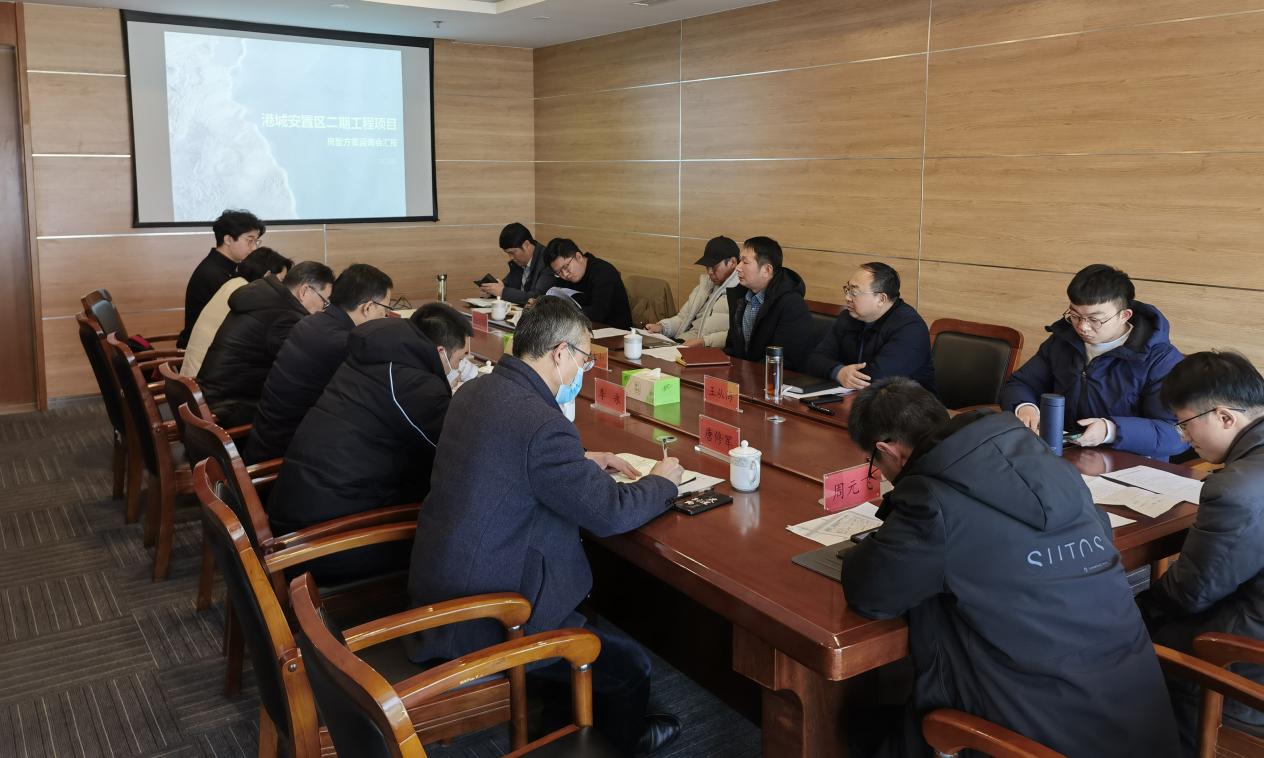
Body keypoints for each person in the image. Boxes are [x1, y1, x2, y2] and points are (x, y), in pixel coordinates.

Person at [841, 377, 1180, 758]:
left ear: (888, 450)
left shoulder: (932, 502)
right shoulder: (1051, 464)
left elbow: (871, 593)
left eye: (874, 463)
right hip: (1139, 724)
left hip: (1036, 737)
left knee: (857, 726)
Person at [406, 296, 684, 755]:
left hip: (444, 586)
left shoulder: (476, 391)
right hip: (489, 615)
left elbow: (507, 459)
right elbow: (610, 513)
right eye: (584, 359)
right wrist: (662, 483)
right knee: (632, 666)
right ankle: (619, 742)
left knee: (588, 615)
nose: (583, 370)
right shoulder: (540, 423)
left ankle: (562, 721)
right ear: (560, 353)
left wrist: (579, 460)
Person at [266, 303, 472, 584]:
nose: (460, 368)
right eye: (460, 359)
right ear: (439, 352)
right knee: (454, 537)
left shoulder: (376, 359)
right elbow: (456, 454)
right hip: (321, 545)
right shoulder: (414, 385)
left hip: (299, 517)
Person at [1136, 351, 1264, 752]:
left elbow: (1192, 593)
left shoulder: (1238, 489)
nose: (1183, 438)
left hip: (1246, 654)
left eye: (1185, 424)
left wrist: (1133, 610)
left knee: (1128, 633)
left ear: (1225, 417)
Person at [999, 263, 1186, 459]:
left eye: (1095, 319)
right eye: (1075, 316)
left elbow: (1177, 433)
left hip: (1129, 463)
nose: (1083, 327)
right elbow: (1020, 383)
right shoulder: (1063, 341)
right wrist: (1024, 406)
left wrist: (1111, 430)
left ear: (1124, 315)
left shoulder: (1161, 359)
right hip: (1064, 455)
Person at [243, 264, 395, 464]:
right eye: (385, 309)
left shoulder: (311, 323)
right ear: (367, 307)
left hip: (265, 439)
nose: (385, 317)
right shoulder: (343, 344)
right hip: (285, 457)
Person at [197, 261, 334, 427]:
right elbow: (301, 368)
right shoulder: (285, 316)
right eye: (324, 301)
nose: (323, 309)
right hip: (228, 408)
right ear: (305, 291)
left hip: (210, 395)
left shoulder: (265, 297)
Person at [803, 262, 935, 393]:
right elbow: (814, 360)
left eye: (854, 292)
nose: (847, 297)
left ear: (881, 299)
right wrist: (838, 372)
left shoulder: (911, 328)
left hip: (909, 403)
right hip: (856, 399)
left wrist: (841, 373)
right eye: (848, 289)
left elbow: (877, 378)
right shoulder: (847, 318)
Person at [180, 247, 292, 379]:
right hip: (205, 378)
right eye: (281, 281)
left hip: (193, 375)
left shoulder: (234, 283)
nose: (284, 288)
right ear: (267, 276)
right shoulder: (247, 294)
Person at [723, 236, 815, 369]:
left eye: (745, 262)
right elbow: (732, 348)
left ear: (767, 270)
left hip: (773, 377)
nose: (738, 267)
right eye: (739, 260)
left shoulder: (792, 305)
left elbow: (784, 360)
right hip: (741, 375)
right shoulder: (740, 297)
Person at [178, 209, 265, 348]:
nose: (254, 247)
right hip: (203, 350)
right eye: (250, 240)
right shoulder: (213, 274)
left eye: (256, 241)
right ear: (228, 239)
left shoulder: (226, 266)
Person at [644, 236, 739, 348]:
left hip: (707, 350)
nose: (709, 272)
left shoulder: (740, 292)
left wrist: (705, 342)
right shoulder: (705, 286)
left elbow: (735, 336)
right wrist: (662, 327)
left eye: (714, 267)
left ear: (732, 262)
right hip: (683, 342)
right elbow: (683, 318)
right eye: (707, 267)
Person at [542, 238, 634, 329]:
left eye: (566, 267)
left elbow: (598, 313)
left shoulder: (604, 272)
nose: (565, 274)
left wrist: (565, 313)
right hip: (581, 329)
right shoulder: (563, 278)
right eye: (558, 272)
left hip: (616, 332)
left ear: (578, 257)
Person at [479, 222, 559, 305]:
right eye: (508, 253)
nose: (511, 258)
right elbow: (507, 286)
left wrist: (502, 292)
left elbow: (536, 297)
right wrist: (491, 291)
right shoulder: (518, 262)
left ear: (526, 245)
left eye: (512, 253)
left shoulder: (548, 261)